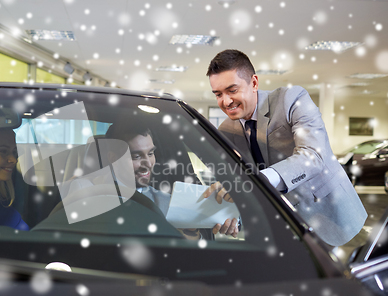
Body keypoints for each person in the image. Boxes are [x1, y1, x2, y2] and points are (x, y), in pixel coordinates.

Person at [204, 49, 367, 246]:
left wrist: (258, 181)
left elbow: (313, 155)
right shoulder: (225, 131)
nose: (226, 101)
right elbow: (237, 183)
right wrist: (231, 212)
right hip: (283, 233)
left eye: (232, 90)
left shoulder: (292, 99)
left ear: (254, 83)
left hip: (334, 221)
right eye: (218, 94)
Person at [103, 123, 239, 239]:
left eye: (150, 154)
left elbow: (189, 247)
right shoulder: (86, 195)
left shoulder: (168, 203)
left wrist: (229, 209)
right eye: (136, 156)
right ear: (113, 158)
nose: (148, 164)